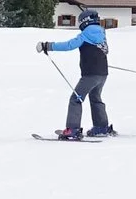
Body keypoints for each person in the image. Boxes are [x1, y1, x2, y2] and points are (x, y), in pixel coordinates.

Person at [39, 7, 115, 138]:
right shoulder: (102, 34)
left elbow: (68, 45)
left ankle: (73, 130)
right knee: (95, 98)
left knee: (76, 99)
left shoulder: (84, 35)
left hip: (90, 74)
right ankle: (101, 127)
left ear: (84, 21)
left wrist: (48, 46)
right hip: (102, 73)